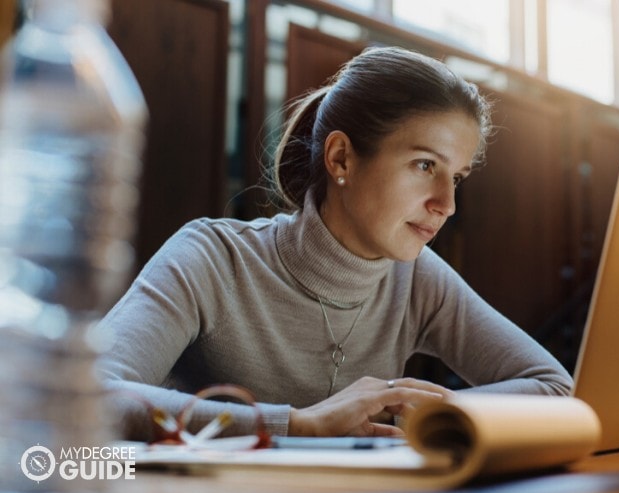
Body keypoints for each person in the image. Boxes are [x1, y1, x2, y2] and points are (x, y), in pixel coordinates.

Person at [98, 46, 573, 442]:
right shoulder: (210, 258)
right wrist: (297, 425)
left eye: (458, 177)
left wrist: (437, 408)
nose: (447, 204)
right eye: (426, 166)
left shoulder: (416, 278)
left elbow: (554, 388)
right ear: (342, 158)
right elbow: (92, 395)